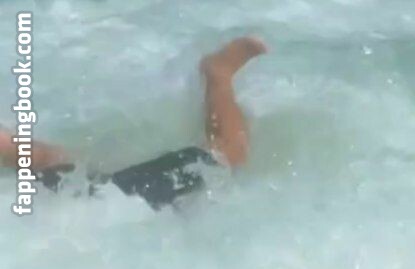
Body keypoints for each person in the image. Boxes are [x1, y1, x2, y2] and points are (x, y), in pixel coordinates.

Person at [1, 35, 267, 210]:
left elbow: (31, 155)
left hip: (100, 203)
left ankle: (217, 74)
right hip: (84, 211)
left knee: (228, 157)